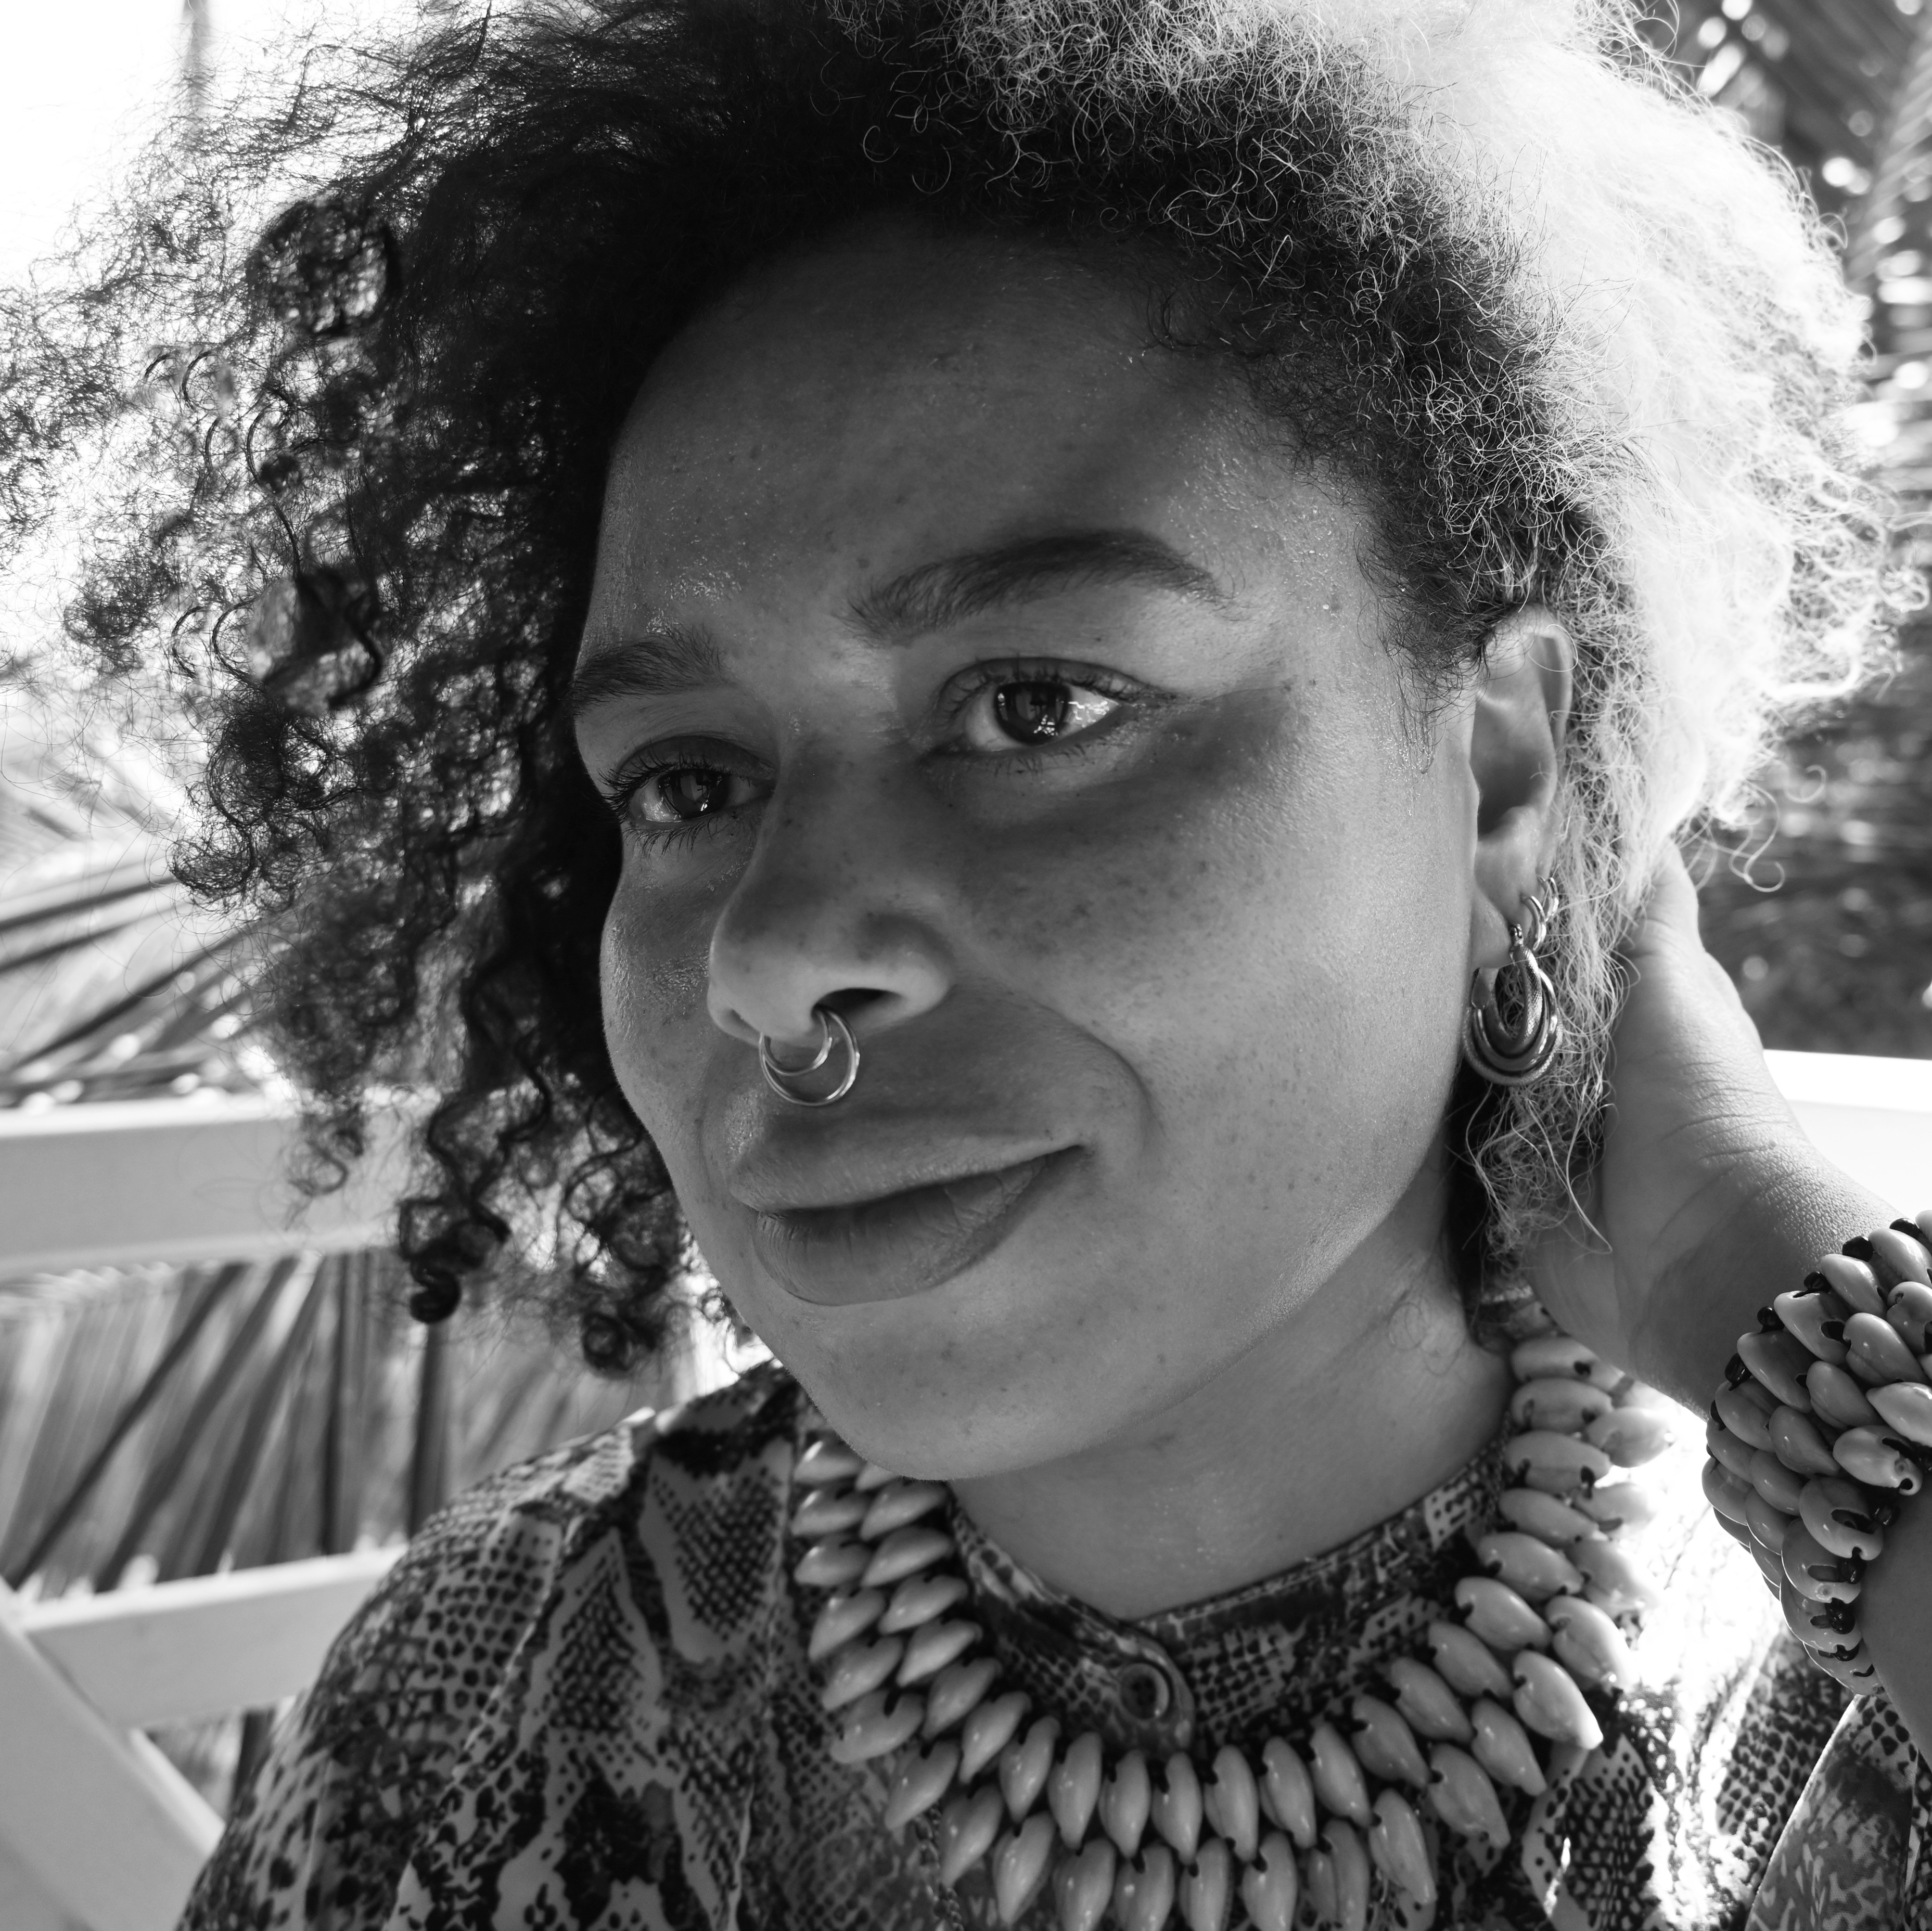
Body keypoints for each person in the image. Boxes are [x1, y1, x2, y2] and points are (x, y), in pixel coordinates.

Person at [9, 0, 1926, 1923]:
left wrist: (1769, 1311)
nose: (770, 953)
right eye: (684, 782)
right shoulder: (491, 1699)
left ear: (1498, 769)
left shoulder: (1845, 1704)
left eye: (1036, 702)